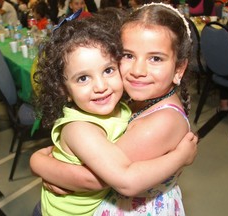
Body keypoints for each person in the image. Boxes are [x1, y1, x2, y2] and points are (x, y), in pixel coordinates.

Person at [30, 3, 198, 216]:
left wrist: (38, 164)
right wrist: (38, 160)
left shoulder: (159, 123)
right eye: (128, 55)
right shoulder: (126, 97)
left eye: (155, 58)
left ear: (179, 68)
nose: (138, 70)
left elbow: (95, 180)